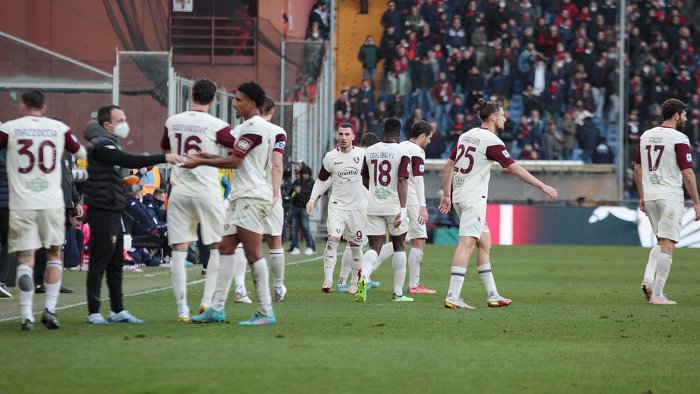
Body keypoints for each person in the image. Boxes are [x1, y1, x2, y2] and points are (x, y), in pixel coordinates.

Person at [439, 99, 558, 310]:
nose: (505, 118)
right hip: (473, 199)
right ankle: (452, 296)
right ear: (493, 117)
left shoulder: (466, 135)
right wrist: (543, 186)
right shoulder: (491, 141)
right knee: (466, 245)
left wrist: (447, 195)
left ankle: (493, 295)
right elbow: (515, 169)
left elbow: (449, 165)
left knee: (484, 243)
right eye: (502, 115)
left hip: (459, 196)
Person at [186, 81, 277, 326]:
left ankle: (266, 311)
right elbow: (239, 157)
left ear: (252, 103)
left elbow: (236, 162)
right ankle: (216, 309)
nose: (234, 103)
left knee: (252, 252)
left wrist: (202, 162)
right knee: (225, 247)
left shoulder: (254, 127)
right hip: (241, 196)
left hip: (251, 196)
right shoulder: (250, 127)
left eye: (238, 99)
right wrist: (209, 156)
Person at [83, 104, 182, 325]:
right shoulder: (102, 145)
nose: (124, 124)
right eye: (120, 120)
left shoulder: (109, 143)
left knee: (116, 260)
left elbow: (111, 174)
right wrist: (163, 158)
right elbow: (127, 160)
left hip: (113, 207)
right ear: (107, 125)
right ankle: (94, 312)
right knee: (100, 260)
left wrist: (124, 185)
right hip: (102, 209)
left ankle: (117, 310)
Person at [0, 90, 86, 330]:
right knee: (53, 255)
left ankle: (26, 315)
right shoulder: (58, 128)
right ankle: (49, 309)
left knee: (25, 258)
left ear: (22, 105)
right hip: (51, 202)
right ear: (43, 107)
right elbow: (78, 151)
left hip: (22, 203)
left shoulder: (10, 127)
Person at [161, 79, 235, 322]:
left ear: (190, 95)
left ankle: (182, 309)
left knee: (179, 249)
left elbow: (165, 148)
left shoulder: (173, 121)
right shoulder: (217, 125)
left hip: (180, 190)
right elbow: (237, 148)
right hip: (208, 191)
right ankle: (207, 302)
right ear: (213, 99)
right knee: (216, 246)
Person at [634, 98, 700, 305]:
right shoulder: (679, 138)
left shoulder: (646, 136)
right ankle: (658, 294)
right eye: (684, 115)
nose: (686, 118)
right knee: (669, 244)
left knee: (661, 241)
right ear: (676, 115)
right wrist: (697, 202)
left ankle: (648, 279)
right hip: (670, 196)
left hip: (651, 195)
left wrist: (643, 196)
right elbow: (687, 172)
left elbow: (637, 168)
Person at [367, 120, 437, 295]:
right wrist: (423, 206)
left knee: (398, 241)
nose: (429, 142)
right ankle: (414, 285)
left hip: (393, 199)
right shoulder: (417, 151)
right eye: (429, 138)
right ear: (422, 136)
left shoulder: (401, 146)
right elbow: (418, 180)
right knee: (418, 239)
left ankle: (366, 271)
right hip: (411, 199)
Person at [355, 117, 413, 303]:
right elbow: (402, 180)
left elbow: (364, 178)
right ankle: (397, 293)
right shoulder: (402, 151)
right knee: (399, 247)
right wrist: (403, 209)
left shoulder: (369, 151)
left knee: (374, 247)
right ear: (398, 132)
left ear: (383, 130)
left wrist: (375, 191)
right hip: (395, 206)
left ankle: (363, 279)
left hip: (373, 205)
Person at [306, 123, 368, 293]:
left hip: (358, 208)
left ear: (353, 136)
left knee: (356, 246)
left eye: (347, 134)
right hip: (337, 206)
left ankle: (355, 282)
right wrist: (312, 199)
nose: (343, 138)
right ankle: (327, 281)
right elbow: (321, 180)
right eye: (340, 134)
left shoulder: (362, 155)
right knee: (332, 240)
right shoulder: (330, 157)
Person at [259, 97, 288, 302]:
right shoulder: (278, 132)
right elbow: (277, 163)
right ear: (273, 110)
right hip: (269, 190)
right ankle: (278, 286)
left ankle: (241, 289)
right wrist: (276, 191)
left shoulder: (241, 129)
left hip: (246, 190)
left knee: (241, 241)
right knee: (274, 239)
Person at [289, 165, 316, 255]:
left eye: (306, 174)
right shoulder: (297, 181)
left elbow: (311, 195)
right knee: (294, 227)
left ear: (309, 174)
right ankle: (295, 247)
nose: (304, 176)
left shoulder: (312, 183)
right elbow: (290, 192)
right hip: (294, 206)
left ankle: (310, 247)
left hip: (305, 208)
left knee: (305, 227)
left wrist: (301, 191)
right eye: (303, 174)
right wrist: (293, 189)